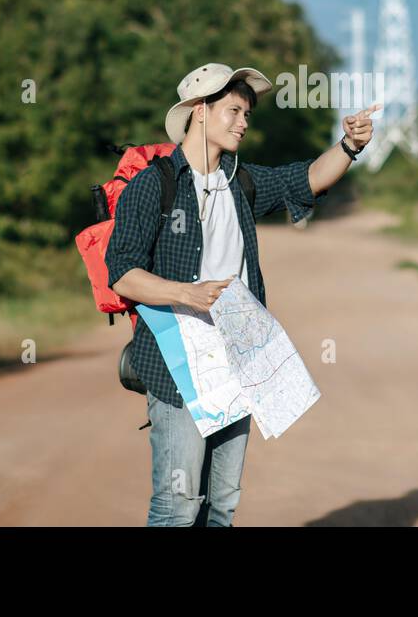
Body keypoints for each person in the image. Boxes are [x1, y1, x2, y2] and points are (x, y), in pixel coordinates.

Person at [105, 62, 378, 526]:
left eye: (247, 114)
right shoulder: (154, 185)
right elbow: (122, 274)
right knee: (178, 506)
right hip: (178, 371)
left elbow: (307, 179)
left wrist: (351, 145)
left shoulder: (240, 182)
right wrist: (187, 294)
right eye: (233, 110)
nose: (243, 122)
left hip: (237, 364)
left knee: (222, 505)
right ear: (199, 112)